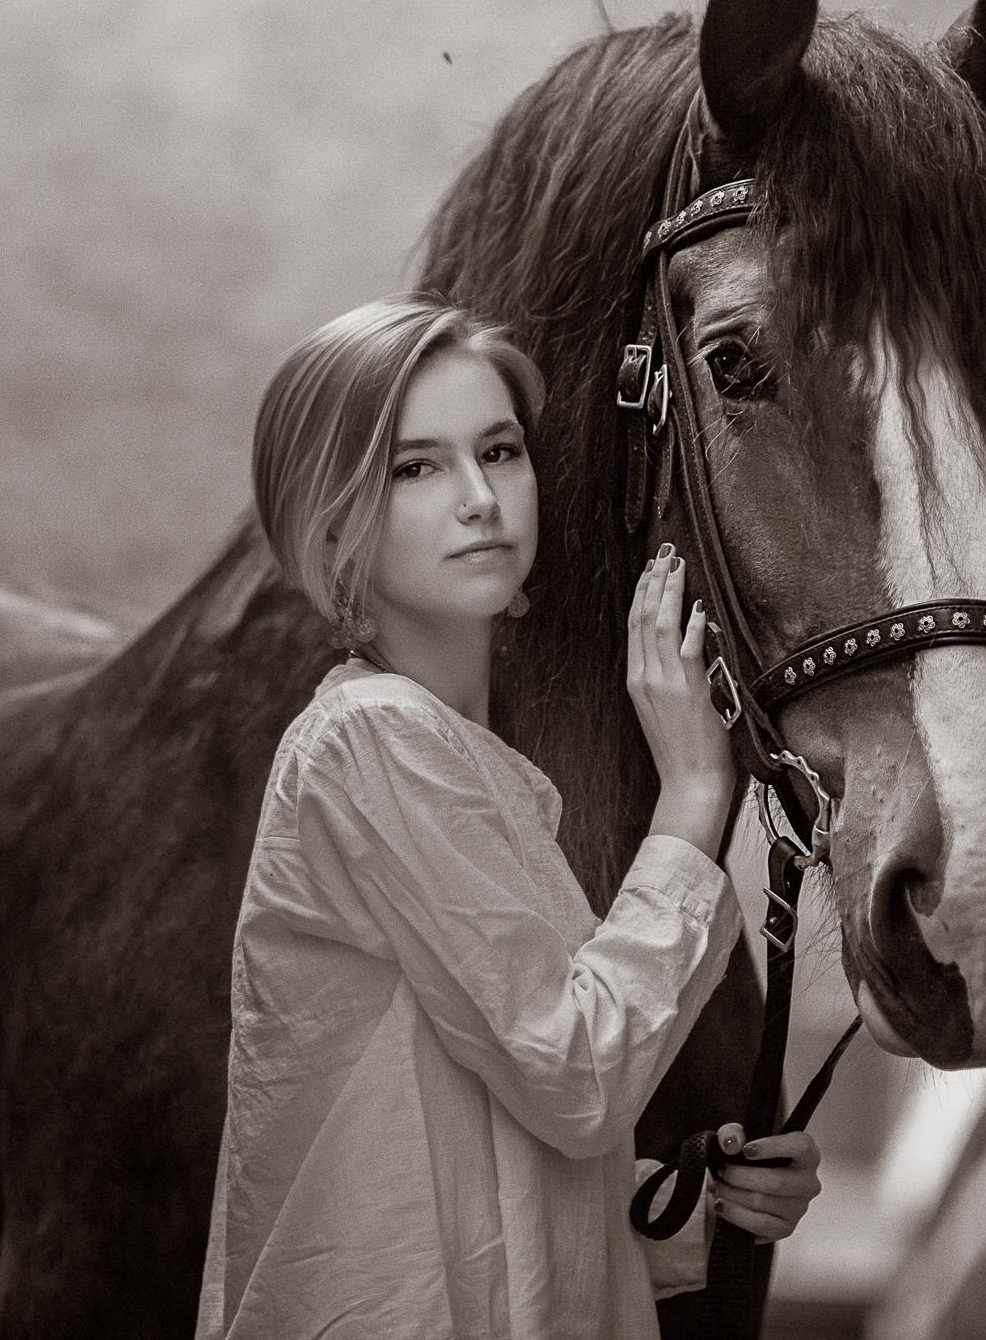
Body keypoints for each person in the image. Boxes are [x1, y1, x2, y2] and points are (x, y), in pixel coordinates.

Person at [199, 290, 822, 1338]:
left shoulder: (453, 759)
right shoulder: (375, 741)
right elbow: (576, 1070)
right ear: (334, 517)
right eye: (417, 466)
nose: (481, 498)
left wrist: (695, 1211)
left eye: (499, 451)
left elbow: (476, 1173)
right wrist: (696, 794)